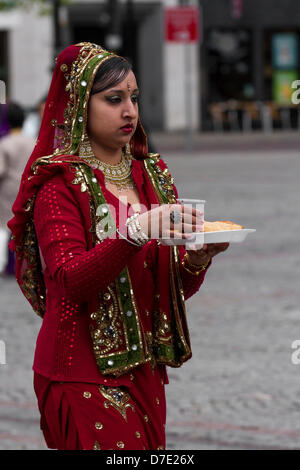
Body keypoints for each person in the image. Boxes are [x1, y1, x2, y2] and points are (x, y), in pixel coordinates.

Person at [7, 42, 229, 450]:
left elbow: (168, 285)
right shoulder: (60, 185)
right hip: (81, 373)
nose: (130, 111)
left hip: (145, 369)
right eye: (113, 99)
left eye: (134, 97)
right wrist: (134, 232)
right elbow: (70, 280)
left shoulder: (152, 176)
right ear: (78, 105)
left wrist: (196, 261)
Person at [0, 102, 35, 275]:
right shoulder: (33, 142)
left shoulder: (5, 144)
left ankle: (10, 265)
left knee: (8, 227)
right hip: (27, 187)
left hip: (7, 189)